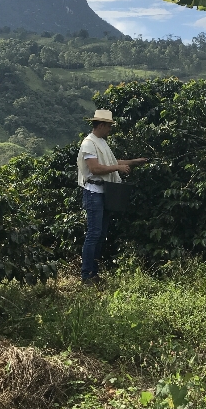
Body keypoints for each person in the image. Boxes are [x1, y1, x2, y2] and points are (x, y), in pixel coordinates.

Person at [77, 109, 147, 284]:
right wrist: (118, 169)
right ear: (101, 125)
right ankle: (87, 275)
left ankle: (94, 273)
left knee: (100, 234)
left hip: (104, 192)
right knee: (94, 233)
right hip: (94, 192)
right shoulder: (88, 144)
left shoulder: (100, 142)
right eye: (108, 126)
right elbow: (95, 169)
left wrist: (133, 162)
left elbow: (112, 163)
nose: (110, 130)